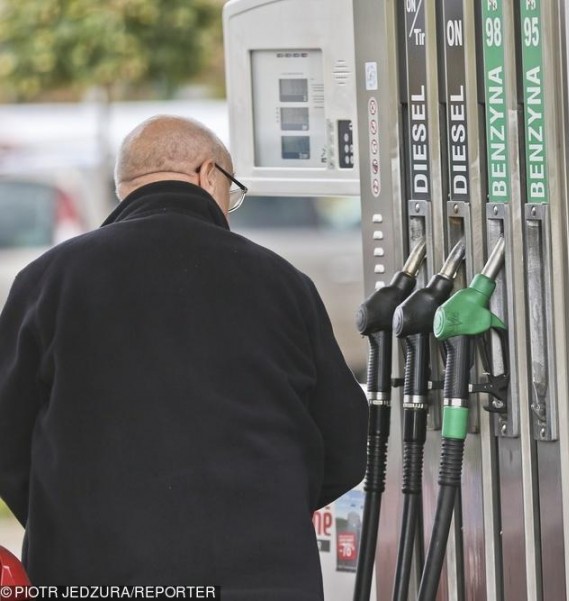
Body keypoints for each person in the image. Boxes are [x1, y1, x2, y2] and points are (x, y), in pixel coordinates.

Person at [0, 115, 368, 598]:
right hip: (258, 577)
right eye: (231, 191)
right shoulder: (280, 283)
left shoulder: (48, 281)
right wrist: (266, 511)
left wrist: (68, 520)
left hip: (89, 574)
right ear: (208, 174)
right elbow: (345, 444)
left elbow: (7, 437)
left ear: (126, 186)